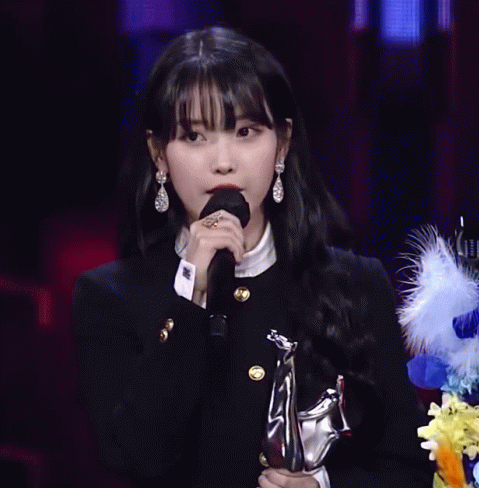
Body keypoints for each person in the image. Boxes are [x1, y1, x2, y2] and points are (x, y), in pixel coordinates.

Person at [72, 26, 432, 488]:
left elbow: (409, 470)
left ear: (281, 143)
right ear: (159, 155)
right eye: (194, 136)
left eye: (245, 132)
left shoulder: (356, 285)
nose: (223, 161)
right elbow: (136, 455)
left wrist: (323, 486)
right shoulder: (108, 297)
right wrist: (191, 294)